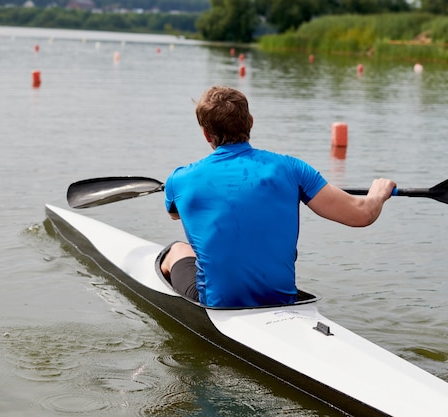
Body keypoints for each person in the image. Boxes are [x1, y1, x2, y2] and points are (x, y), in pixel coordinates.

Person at [160, 85, 396, 308]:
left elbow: (175, 215)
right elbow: (362, 214)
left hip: (218, 305)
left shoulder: (179, 180)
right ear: (250, 123)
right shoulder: (292, 169)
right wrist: (378, 194)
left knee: (176, 250)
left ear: (205, 134)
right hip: (279, 300)